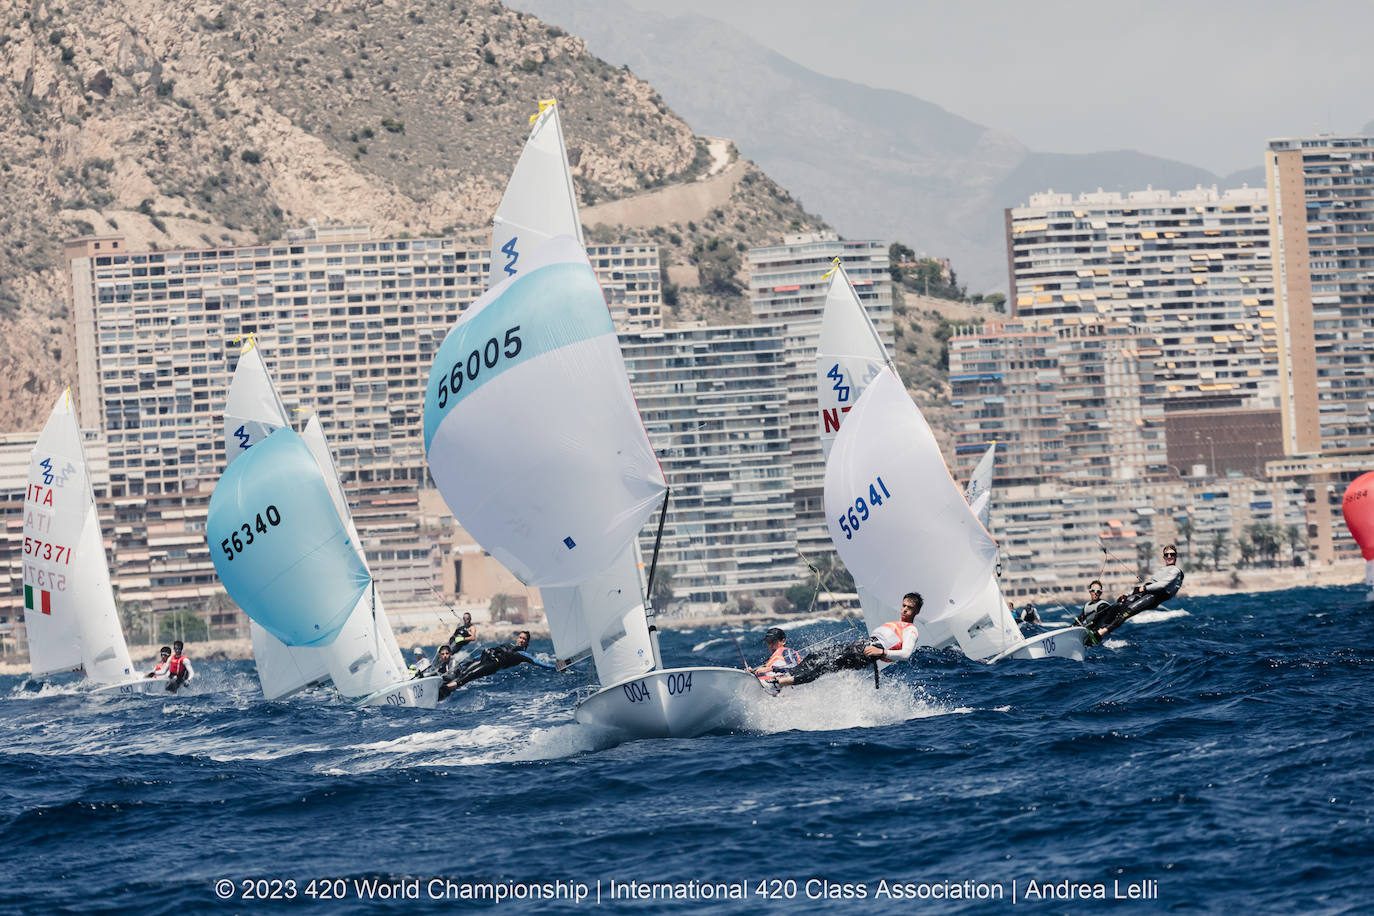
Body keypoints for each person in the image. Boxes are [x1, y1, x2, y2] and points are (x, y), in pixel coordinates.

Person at [769, 593, 922, 688]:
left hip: (865, 655)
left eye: (909, 607)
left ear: (916, 611)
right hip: (857, 647)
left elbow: (906, 654)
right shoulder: (894, 624)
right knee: (815, 656)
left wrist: (881, 652)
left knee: (823, 666)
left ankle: (780, 684)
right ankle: (784, 675)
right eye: (903, 605)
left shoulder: (911, 630)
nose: (904, 609)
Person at [1090, 546, 1184, 641]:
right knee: (1118, 605)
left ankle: (1102, 633)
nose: (1169, 556)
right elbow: (1147, 584)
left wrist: (1144, 588)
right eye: (1166, 554)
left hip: (1154, 597)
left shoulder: (1175, 571)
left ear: (1176, 556)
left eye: (1172, 554)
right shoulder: (1162, 570)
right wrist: (1128, 594)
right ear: (1164, 557)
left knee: (1127, 611)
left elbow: (1163, 585)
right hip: (1146, 593)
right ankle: (1096, 627)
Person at [440, 630, 556, 699]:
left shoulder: (522, 654)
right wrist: (472, 659)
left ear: (527, 642)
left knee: (469, 675)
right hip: (484, 657)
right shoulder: (509, 644)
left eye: (524, 639)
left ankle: (445, 690)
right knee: (462, 671)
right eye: (520, 637)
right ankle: (443, 684)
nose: (521, 640)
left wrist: (556, 668)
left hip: (493, 664)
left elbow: (538, 662)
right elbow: (495, 649)